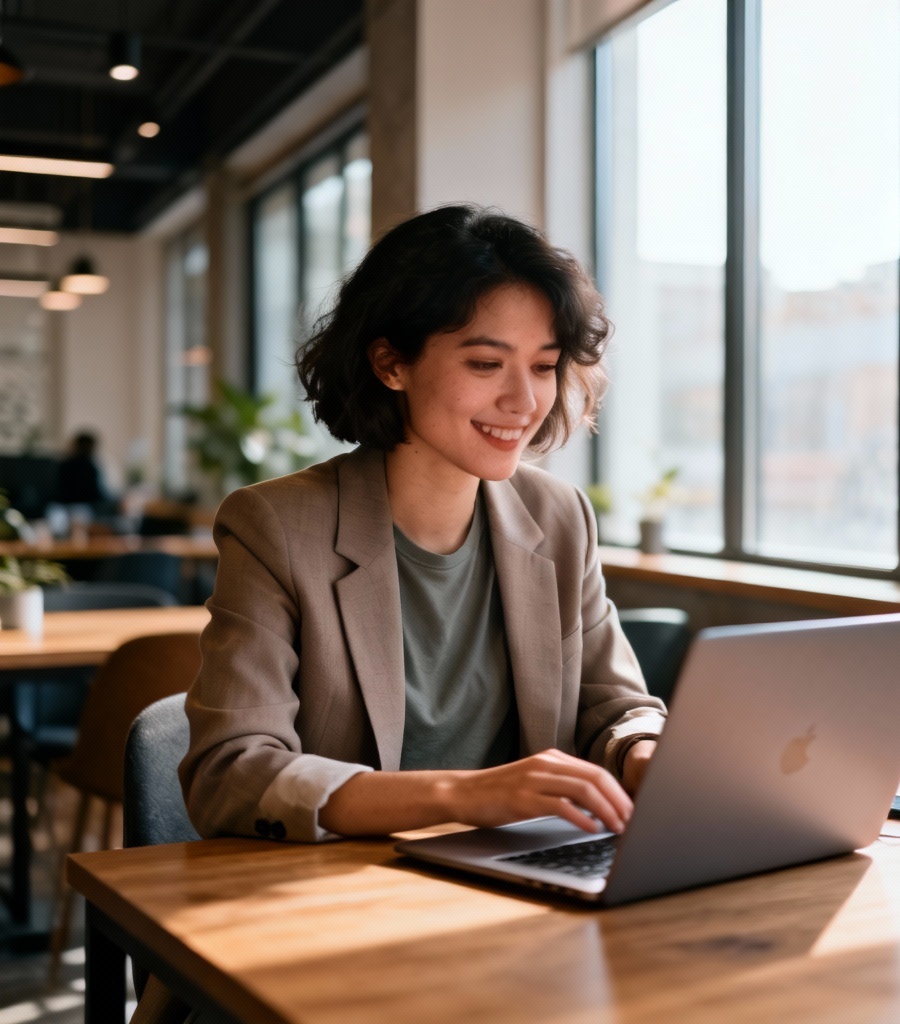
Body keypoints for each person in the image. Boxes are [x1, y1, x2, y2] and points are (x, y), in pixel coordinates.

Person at [180, 204, 666, 843]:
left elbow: (618, 708)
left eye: (545, 367)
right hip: (353, 892)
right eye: (486, 365)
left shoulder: (561, 516)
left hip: (525, 877)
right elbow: (230, 773)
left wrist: (641, 751)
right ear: (391, 364)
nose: (524, 402)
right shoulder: (275, 526)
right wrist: (465, 795)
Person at [54, 430, 111, 509]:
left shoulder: (63, 464)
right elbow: (95, 494)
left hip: (65, 505)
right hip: (86, 507)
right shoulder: (90, 467)